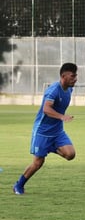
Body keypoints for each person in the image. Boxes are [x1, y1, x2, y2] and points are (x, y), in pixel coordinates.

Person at [13, 63, 78, 195]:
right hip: (42, 131)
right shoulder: (53, 90)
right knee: (38, 163)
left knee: (70, 154)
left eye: (76, 75)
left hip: (57, 131)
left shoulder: (69, 89)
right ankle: (18, 185)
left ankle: (51, 148)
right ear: (63, 76)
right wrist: (62, 117)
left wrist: (60, 119)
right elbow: (46, 109)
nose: (75, 78)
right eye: (72, 76)